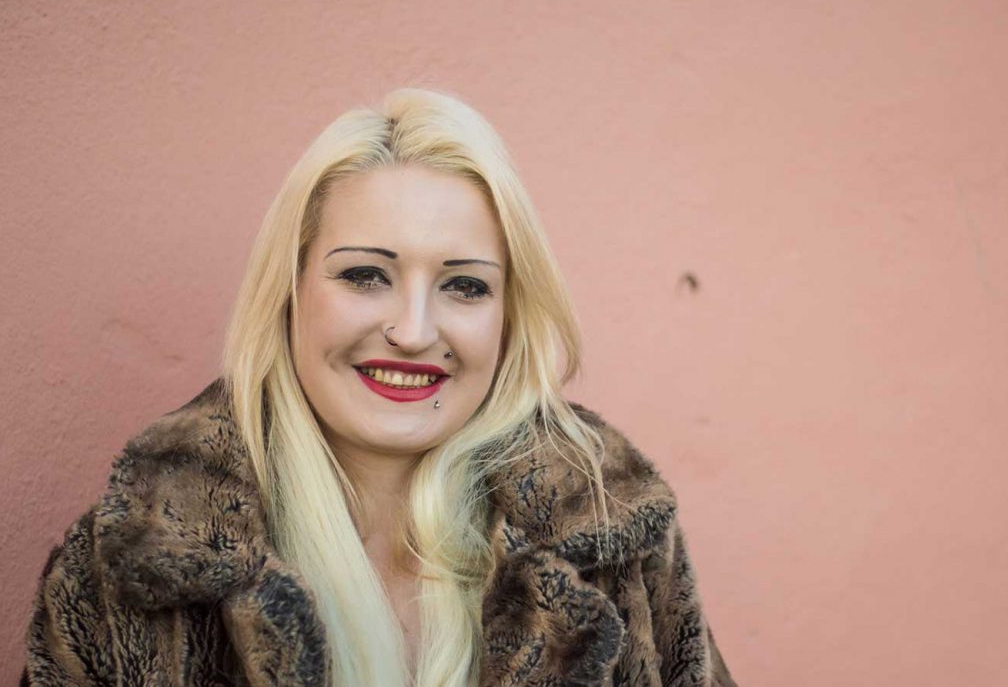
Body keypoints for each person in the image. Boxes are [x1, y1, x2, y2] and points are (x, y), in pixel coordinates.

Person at [21, 87, 736, 687]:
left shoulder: (614, 541)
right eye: (366, 275)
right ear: (291, 291)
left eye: (464, 285)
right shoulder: (137, 561)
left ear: (508, 315)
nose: (414, 331)